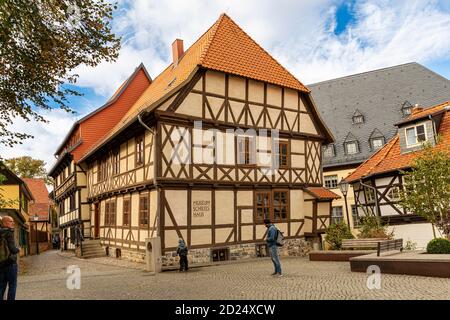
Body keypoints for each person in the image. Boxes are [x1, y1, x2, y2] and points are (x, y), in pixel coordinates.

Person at [0, 216, 20, 300]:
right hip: (10, 263)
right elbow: (13, 250)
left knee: (1, 286)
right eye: (10, 221)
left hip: (1, 264)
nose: (13, 223)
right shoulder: (8, 233)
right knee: (12, 285)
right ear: (4, 223)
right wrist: (18, 249)